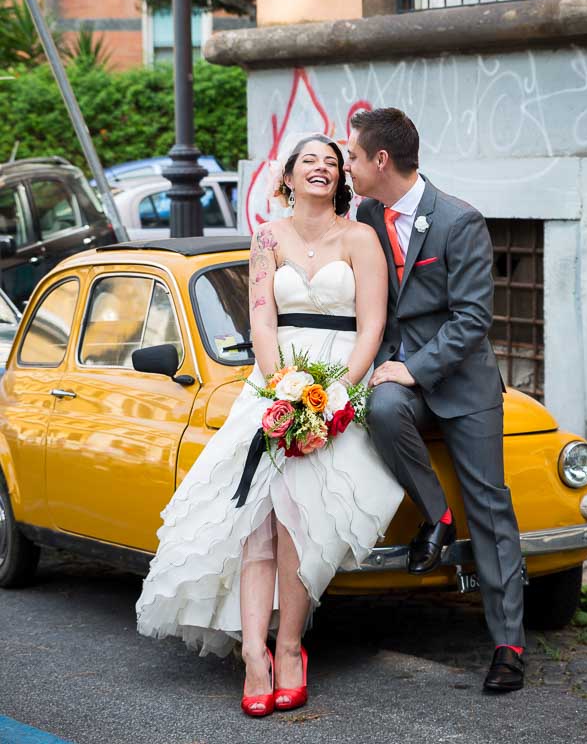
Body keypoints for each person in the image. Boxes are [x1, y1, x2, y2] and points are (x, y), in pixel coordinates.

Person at [136, 133, 403, 717]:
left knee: (296, 523)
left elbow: (371, 327)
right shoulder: (266, 239)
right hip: (274, 383)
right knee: (254, 525)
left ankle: (289, 649)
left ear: (341, 179)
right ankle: (254, 657)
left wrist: (333, 396)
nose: (322, 168)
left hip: (338, 385)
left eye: (332, 163)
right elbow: (262, 319)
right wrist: (281, 385)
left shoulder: (362, 238)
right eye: (310, 160)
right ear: (288, 175)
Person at [346, 108, 526, 693]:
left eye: (352, 156)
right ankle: (436, 516)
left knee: (490, 503)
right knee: (383, 409)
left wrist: (412, 367)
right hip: (403, 381)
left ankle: (507, 645)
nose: (347, 165)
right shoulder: (368, 213)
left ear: (380, 161)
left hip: (463, 383)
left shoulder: (458, 220)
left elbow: (473, 318)